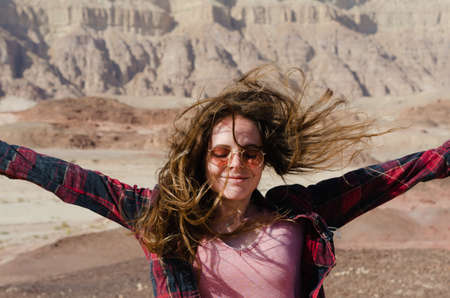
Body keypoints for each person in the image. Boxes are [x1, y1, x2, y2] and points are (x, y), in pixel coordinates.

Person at [0, 65, 448, 298]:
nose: (237, 163)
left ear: (263, 160)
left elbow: (386, 178)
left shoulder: (296, 214)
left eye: (250, 153)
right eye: (222, 152)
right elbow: (70, 178)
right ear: (203, 158)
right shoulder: (165, 219)